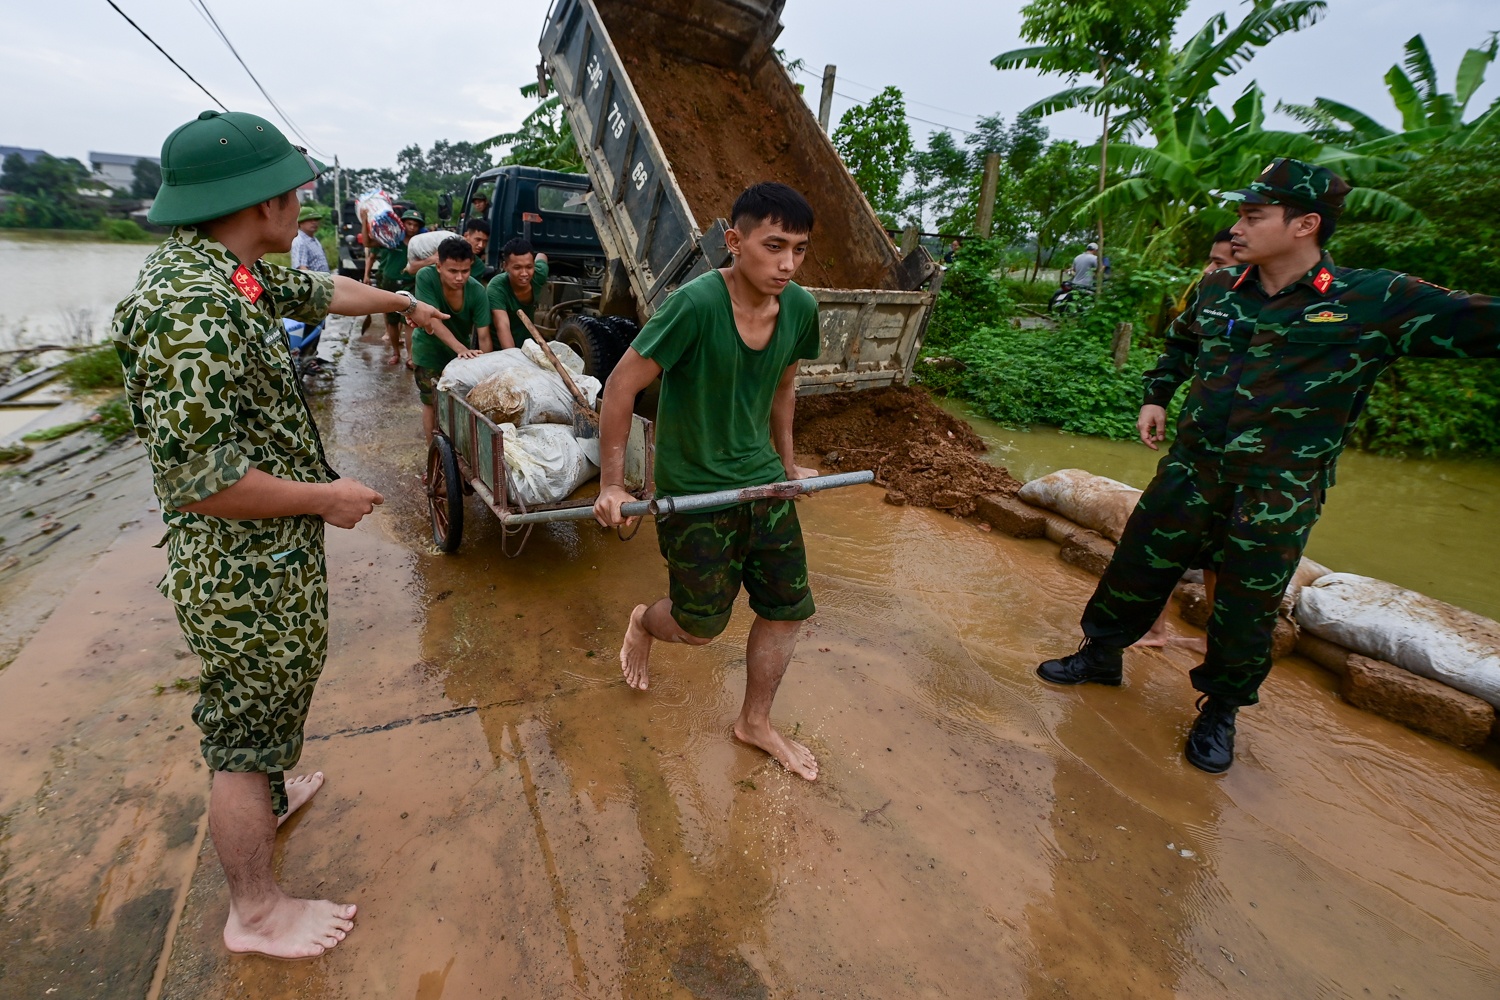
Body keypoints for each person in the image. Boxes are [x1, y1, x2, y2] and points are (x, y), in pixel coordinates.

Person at [1034, 158, 1500, 774]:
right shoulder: (1218, 288)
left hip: (1277, 489)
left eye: (1254, 215)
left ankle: (1219, 709)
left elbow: (1482, 320)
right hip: (1193, 469)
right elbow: (1181, 343)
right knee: (1138, 562)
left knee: (1248, 603)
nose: (1238, 227)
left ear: (1305, 223)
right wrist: (1157, 393)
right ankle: (1100, 656)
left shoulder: (1375, 300)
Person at [111, 110, 449, 959]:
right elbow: (203, 483)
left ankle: (269, 792)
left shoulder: (233, 273)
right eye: (294, 188)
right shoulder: (190, 306)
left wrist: (402, 298)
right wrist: (323, 497)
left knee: (266, 720)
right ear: (262, 202)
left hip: (267, 559)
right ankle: (255, 913)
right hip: (239, 571)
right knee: (243, 735)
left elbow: (319, 291)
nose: (304, 201)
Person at [593, 182, 823, 781]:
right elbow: (620, 387)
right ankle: (645, 620)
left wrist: (790, 467)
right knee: (699, 627)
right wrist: (613, 485)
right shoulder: (694, 306)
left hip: (765, 486)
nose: (787, 264)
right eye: (774, 246)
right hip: (694, 493)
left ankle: (754, 722)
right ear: (734, 242)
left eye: (798, 249)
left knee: (787, 608)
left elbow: (782, 389)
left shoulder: (800, 309)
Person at [1133, 227, 1236, 651]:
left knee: (1224, 559)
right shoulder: (1210, 295)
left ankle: (1219, 648)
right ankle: (1152, 630)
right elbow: (1179, 347)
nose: (1209, 270)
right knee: (1164, 539)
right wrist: (1156, 397)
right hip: (1198, 453)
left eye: (1220, 263)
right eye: (1210, 260)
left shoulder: (1300, 304)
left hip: (1257, 466)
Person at [411, 237, 491, 440]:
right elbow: (431, 320)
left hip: (459, 358)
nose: (459, 277)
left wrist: (488, 371)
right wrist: (460, 348)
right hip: (429, 352)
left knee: (462, 405)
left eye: (465, 271)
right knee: (431, 403)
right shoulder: (425, 277)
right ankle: (433, 460)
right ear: (438, 266)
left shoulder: (477, 291)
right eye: (453, 271)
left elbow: (483, 335)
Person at [372, 209, 426, 367]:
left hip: (410, 284)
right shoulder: (393, 239)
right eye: (409, 223)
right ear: (402, 224)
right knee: (392, 321)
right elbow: (370, 242)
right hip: (391, 283)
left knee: (410, 321)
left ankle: (410, 356)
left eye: (415, 225)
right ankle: (396, 352)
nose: (412, 227)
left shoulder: (420, 244)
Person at [487, 237, 549, 348]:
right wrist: (514, 359)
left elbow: (542, 256)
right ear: (505, 266)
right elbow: (502, 326)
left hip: (527, 347)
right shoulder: (496, 288)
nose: (524, 273)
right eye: (517, 268)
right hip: (500, 350)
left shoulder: (539, 275)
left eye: (529, 267)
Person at [290, 205, 329, 272]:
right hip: (313, 281)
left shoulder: (313, 239)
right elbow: (302, 268)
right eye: (309, 220)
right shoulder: (300, 241)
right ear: (300, 223)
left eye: (316, 220)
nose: (314, 222)